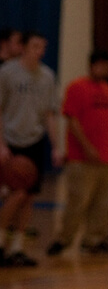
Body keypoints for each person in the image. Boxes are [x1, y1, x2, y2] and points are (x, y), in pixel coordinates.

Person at [46, 51, 108, 256]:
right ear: (93, 65)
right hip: (82, 157)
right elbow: (72, 119)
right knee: (77, 201)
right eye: (104, 65)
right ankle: (64, 239)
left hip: (107, 157)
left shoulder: (107, 89)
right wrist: (87, 146)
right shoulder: (77, 87)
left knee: (102, 203)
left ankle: (93, 239)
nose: (107, 70)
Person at [0, 31, 61, 267]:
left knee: (30, 197)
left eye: (43, 47)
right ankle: (2, 242)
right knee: (18, 193)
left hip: (35, 141)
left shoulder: (46, 76)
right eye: (36, 46)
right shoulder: (7, 73)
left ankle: (17, 248)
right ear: (23, 47)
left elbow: (49, 115)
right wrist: (2, 144)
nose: (40, 51)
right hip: (11, 140)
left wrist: (56, 147)